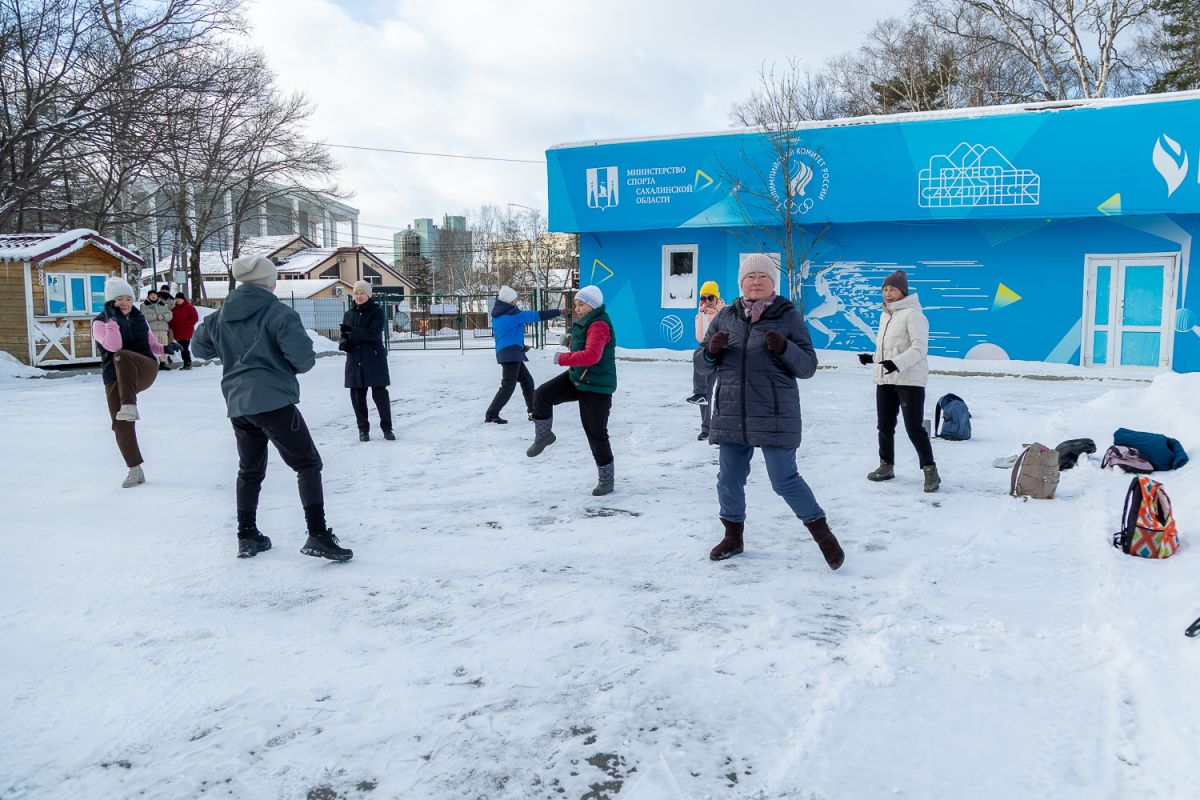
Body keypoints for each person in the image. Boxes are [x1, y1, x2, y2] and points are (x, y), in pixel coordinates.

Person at [191, 254, 352, 562]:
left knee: (249, 469)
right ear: (270, 282)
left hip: (238, 404)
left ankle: (247, 535)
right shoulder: (278, 313)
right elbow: (303, 359)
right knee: (307, 464)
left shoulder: (220, 314)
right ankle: (318, 534)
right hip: (274, 400)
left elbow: (199, 348)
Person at [697, 253, 844, 568]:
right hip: (732, 412)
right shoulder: (725, 316)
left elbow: (808, 367)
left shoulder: (788, 316)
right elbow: (701, 364)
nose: (756, 282)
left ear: (772, 283)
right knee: (729, 479)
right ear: (741, 283)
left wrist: (785, 347)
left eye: (762, 277)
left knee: (784, 478)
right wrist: (710, 351)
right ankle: (733, 537)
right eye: (750, 277)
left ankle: (824, 537)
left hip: (776, 413)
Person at [526, 284, 617, 496]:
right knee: (542, 394)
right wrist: (570, 342)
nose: (577, 308)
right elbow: (584, 347)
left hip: (597, 387)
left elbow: (592, 356)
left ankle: (606, 479)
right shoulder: (587, 322)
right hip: (577, 379)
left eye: (581, 304)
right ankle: (544, 435)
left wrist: (563, 358)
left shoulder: (599, 325)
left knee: (596, 434)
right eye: (575, 304)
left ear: (592, 305)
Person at [857, 269, 940, 492]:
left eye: (892, 289)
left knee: (914, 427)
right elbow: (889, 349)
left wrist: (897, 363)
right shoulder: (887, 315)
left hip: (910, 379)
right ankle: (886, 466)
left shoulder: (913, 314)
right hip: (885, 378)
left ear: (903, 292)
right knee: (884, 426)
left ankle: (930, 471)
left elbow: (919, 348)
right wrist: (873, 358)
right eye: (885, 289)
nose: (887, 293)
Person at [91, 277, 164, 488]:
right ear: (110, 302)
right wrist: (111, 320)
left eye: (128, 299)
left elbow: (151, 343)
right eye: (119, 299)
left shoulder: (139, 317)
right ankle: (135, 470)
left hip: (144, 368)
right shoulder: (99, 322)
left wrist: (164, 349)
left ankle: (129, 405)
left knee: (123, 356)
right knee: (120, 424)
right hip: (115, 377)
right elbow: (112, 345)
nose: (124, 303)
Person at [485, 285, 562, 424]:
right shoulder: (513, 314)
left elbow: (506, 335)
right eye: (515, 299)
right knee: (508, 386)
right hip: (511, 355)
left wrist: (520, 347)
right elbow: (537, 315)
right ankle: (492, 414)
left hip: (509, 353)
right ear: (509, 301)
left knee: (527, 382)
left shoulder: (498, 315)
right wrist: (558, 311)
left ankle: (533, 411)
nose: (516, 302)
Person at [339, 280, 394, 442]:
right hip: (355, 360)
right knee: (357, 397)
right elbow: (344, 335)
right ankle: (363, 430)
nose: (359, 296)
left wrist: (352, 332)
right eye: (356, 293)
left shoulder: (376, 312)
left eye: (362, 293)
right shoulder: (349, 314)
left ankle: (387, 428)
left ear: (368, 295)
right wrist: (344, 344)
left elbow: (373, 334)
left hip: (374, 360)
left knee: (380, 396)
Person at [686, 280, 726, 440]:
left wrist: (714, 315)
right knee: (706, 394)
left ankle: (722, 427)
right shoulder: (700, 314)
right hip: (709, 354)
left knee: (724, 394)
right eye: (704, 298)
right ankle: (706, 428)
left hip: (724, 357)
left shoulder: (725, 313)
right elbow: (700, 338)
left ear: (717, 298)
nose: (707, 301)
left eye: (711, 298)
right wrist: (703, 316)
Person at [140, 289, 173, 369]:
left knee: (164, 345)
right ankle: (155, 363)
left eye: (155, 294)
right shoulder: (144, 305)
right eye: (151, 295)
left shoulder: (163, 305)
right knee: (154, 346)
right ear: (148, 296)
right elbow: (144, 316)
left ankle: (163, 363)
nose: (153, 296)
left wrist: (163, 316)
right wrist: (156, 316)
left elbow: (170, 315)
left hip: (163, 329)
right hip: (152, 330)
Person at [168, 292, 199, 370]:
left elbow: (195, 317)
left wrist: (187, 324)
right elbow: (172, 320)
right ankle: (187, 363)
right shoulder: (174, 309)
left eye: (179, 299)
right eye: (176, 299)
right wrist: (169, 326)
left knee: (184, 348)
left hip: (186, 331)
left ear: (183, 299)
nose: (178, 300)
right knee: (182, 348)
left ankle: (188, 363)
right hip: (178, 332)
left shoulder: (189, 307)